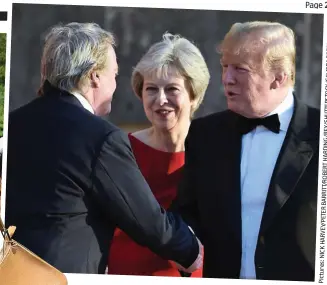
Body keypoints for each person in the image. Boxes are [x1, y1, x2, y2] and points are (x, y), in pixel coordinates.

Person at [4, 22, 203, 274]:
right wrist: (192, 251)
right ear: (94, 76)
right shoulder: (101, 137)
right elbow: (146, 219)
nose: (115, 85)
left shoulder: (12, 124)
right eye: (115, 74)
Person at [171, 21, 319, 281]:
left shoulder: (319, 133)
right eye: (225, 67)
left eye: (240, 69)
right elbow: (187, 211)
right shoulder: (205, 134)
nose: (227, 79)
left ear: (279, 77)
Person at [108, 33, 210, 277]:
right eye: (151, 89)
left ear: (193, 94)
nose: (161, 100)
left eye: (172, 89)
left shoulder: (214, 152)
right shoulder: (122, 149)